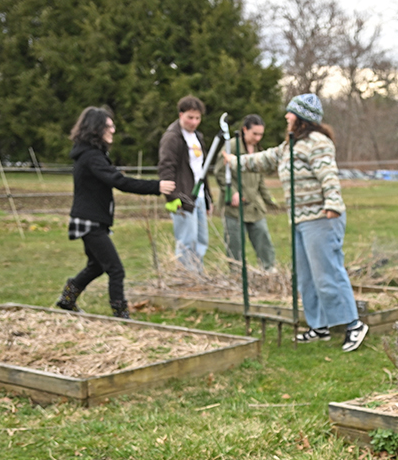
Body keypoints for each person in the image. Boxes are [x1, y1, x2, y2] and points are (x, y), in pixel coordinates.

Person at [235, 94, 369, 351]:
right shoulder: (290, 145)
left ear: (301, 118)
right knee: (306, 276)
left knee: (328, 273)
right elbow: (264, 159)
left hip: (321, 218)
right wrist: (234, 161)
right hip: (299, 220)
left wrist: (332, 203)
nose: (286, 117)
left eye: (290, 113)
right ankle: (319, 326)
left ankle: (353, 324)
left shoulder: (318, 143)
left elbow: (328, 174)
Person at [56, 107, 175, 318]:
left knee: (96, 266)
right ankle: (120, 313)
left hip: (92, 219)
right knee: (115, 269)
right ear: (96, 129)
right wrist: (156, 186)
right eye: (109, 126)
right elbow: (118, 181)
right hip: (89, 221)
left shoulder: (92, 154)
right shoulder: (91, 156)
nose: (113, 129)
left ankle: (67, 298)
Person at [216, 114, 278, 270]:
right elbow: (220, 172)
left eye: (260, 134)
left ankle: (270, 271)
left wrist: (269, 200)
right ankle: (237, 275)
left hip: (255, 207)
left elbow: (259, 178)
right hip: (235, 208)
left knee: (264, 239)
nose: (257, 138)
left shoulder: (258, 150)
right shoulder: (232, 147)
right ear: (245, 130)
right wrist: (233, 192)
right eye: (254, 134)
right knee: (235, 244)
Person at [158, 95, 212, 272]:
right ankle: (185, 278)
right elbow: (166, 168)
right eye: (190, 117)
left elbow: (202, 170)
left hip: (199, 195)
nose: (194, 122)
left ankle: (198, 275)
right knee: (186, 240)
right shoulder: (172, 138)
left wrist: (208, 197)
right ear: (181, 115)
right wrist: (172, 197)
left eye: (197, 118)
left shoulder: (197, 137)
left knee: (201, 239)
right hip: (183, 196)